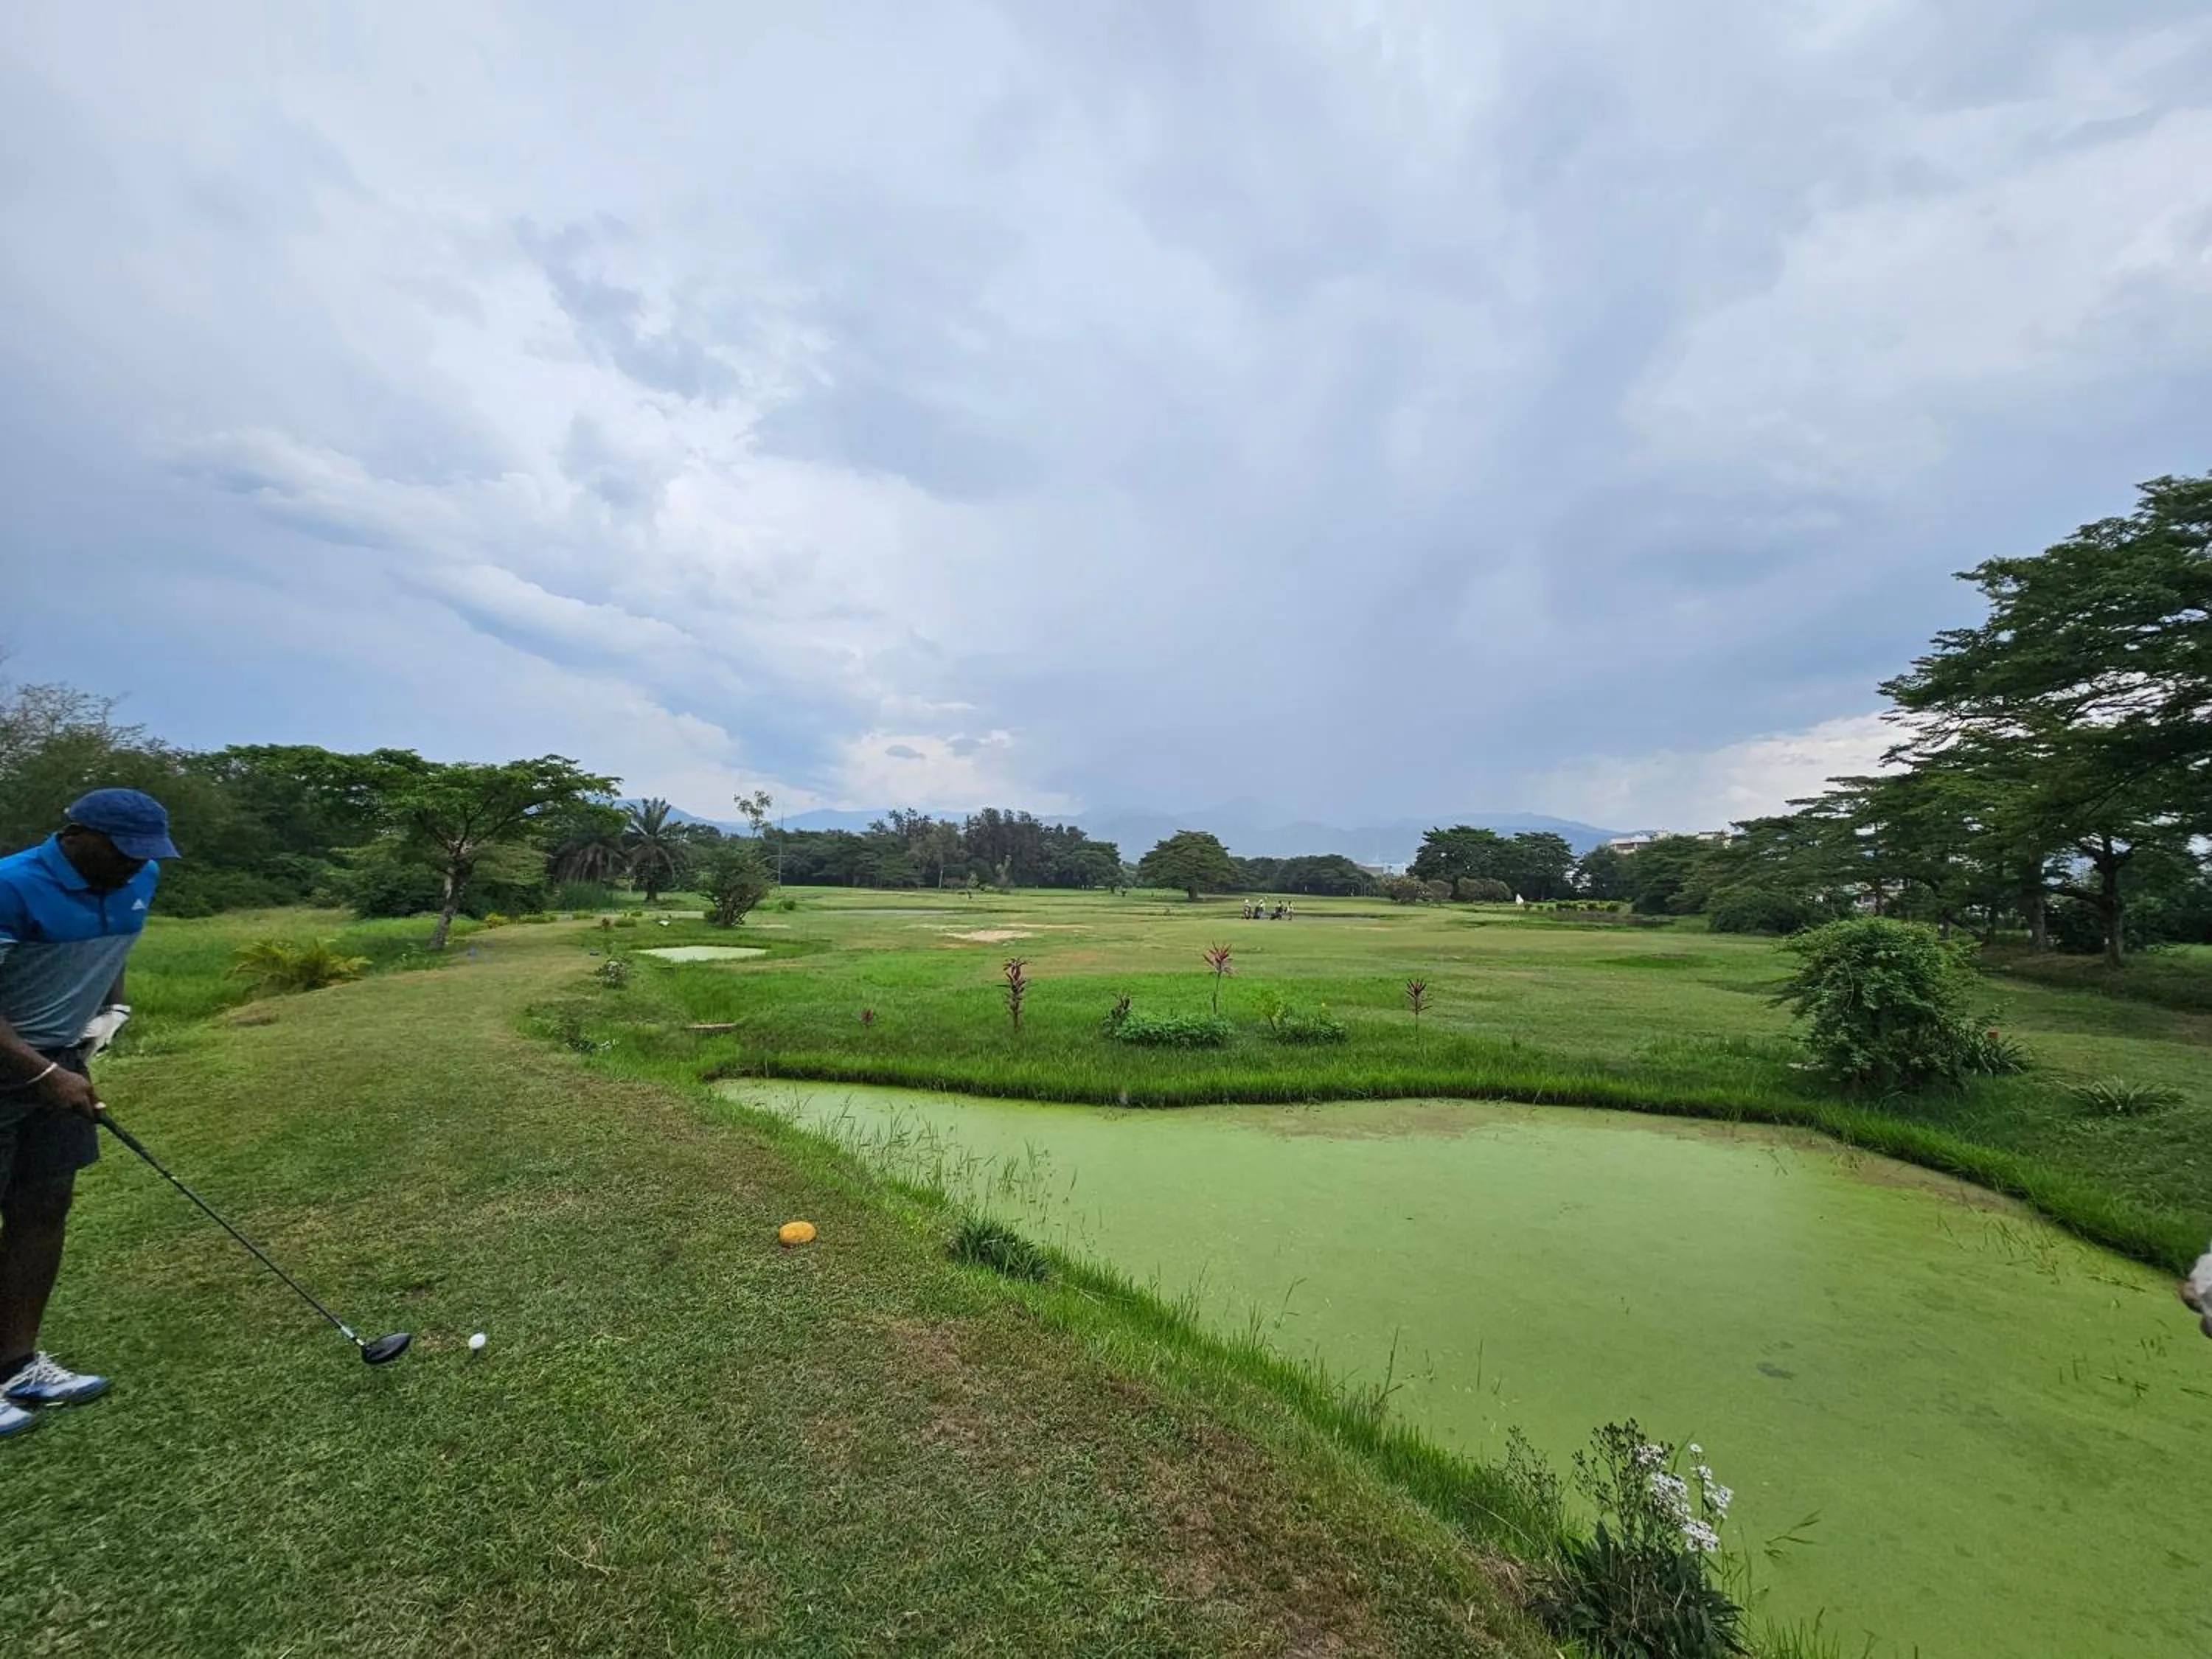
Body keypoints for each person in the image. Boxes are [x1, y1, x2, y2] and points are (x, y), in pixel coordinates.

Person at [0, 788, 179, 1439]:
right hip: (20, 1061)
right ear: (77, 836)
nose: (136, 865)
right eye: (123, 851)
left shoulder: (140, 876)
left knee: (43, 1206)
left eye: (147, 854)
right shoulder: (11, 885)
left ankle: (17, 1365)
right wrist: (45, 1072)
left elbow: (112, 951)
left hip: (56, 1061)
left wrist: (108, 1017)